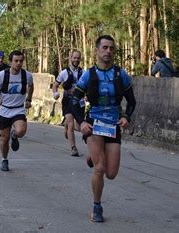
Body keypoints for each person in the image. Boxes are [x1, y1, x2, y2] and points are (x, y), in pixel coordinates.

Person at [70, 35, 136, 223]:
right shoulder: (89, 74)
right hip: (94, 124)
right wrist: (81, 122)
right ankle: (97, 206)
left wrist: (126, 117)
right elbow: (75, 101)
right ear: (97, 50)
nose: (108, 51)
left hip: (113, 125)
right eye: (105, 47)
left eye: (112, 48)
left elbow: (131, 101)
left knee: (111, 173)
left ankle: (93, 155)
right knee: (100, 169)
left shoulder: (120, 74)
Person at [0, 50, 34, 172]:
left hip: (18, 109)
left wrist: (29, 99)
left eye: (21, 61)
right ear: (10, 62)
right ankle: (4, 159)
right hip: (4, 110)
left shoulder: (27, 75)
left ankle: (15, 136)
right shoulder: (2, 75)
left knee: (21, 131)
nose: (19, 63)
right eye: (16, 61)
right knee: (4, 139)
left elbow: (31, 85)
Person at [52, 50, 84, 157]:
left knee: (79, 127)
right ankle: (73, 148)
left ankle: (65, 125)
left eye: (78, 58)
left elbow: (88, 86)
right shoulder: (64, 72)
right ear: (71, 58)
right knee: (71, 125)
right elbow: (55, 85)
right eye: (74, 58)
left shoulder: (83, 72)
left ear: (80, 59)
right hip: (68, 101)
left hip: (79, 102)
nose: (76, 60)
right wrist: (55, 93)